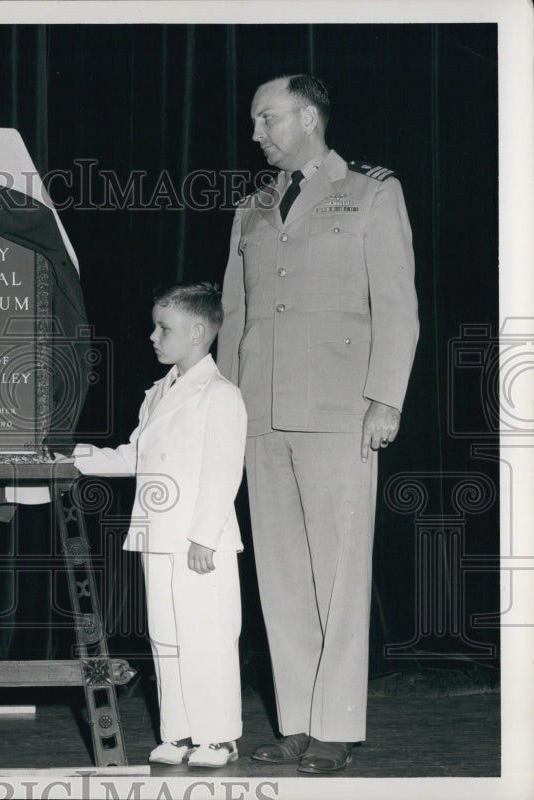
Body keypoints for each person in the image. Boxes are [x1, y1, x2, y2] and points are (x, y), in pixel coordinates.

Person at [218, 74, 419, 773]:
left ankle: (336, 726)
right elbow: (236, 318)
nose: (256, 134)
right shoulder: (252, 208)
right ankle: (298, 723)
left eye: (265, 119)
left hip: (340, 413)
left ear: (307, 117)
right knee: (280, 577)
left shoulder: (371, 191)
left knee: (338, 573)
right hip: (261, 414)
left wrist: (385, 398)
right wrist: (224, 410)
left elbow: (397, 304)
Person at [64, 282, 247, 768]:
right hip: (157, 535)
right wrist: (77, 458)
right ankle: (182, 732)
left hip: (197, 541)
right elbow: (136, 456)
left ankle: (219, 736)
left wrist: (204, 537)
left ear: (197, 333)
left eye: (163, 327)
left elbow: (224, 471)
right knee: (165, 635)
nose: (152, 336)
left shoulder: (222, 396)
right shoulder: (158, 393)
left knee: (206, 633)